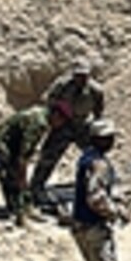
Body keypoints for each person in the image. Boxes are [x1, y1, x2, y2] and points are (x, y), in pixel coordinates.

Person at [71, 118, 131, 261]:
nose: (113, 141)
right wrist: (117, 211)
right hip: (93, 225)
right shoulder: (99, 164)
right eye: (110, 138)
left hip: (79, 225)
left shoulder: (86, 159)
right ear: (102, 139)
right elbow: (95, 197)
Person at [31, 57, 105, 202]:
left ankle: (99, 186)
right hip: (64, 125)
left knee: (94, 157)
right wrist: (55, 118)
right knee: (48, 156)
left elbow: (99, 110)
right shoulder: (62, 85)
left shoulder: (95, 90)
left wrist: (96, 128)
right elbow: (49, 100)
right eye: (78, 76)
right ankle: (36, 187)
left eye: (84, 76)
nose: (81, 79)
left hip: (83, 126)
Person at [0, 101, 71, 225]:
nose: (60, 125)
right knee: (10, 179)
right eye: (62, 121)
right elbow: (23, 157)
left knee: (15, 178)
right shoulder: (39, 123)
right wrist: (22, 178)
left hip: (10, 146)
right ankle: (17, 212)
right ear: (56, 115)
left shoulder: (41, 116)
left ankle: (21, 209)